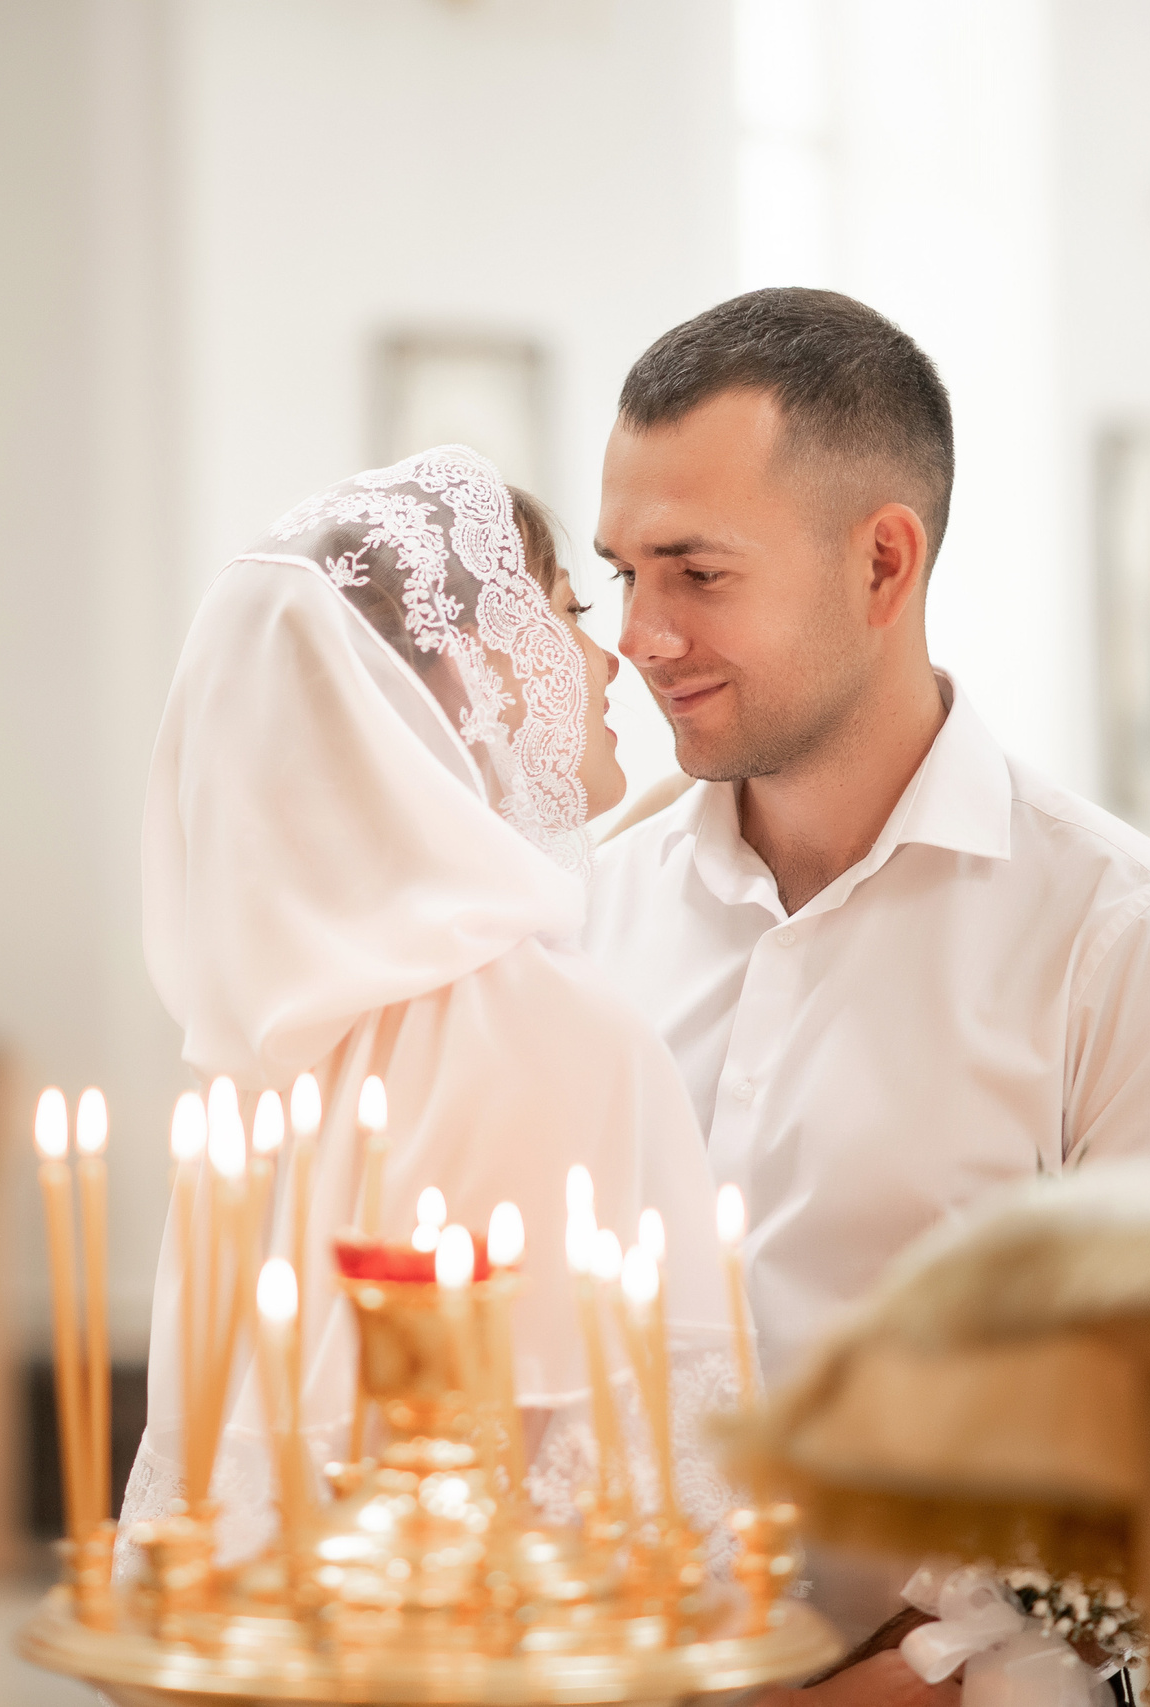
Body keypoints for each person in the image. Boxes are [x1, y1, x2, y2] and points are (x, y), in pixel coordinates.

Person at [584, 288, 1150, 1668]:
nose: (640, 635)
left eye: (697, 573)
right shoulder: (591, 914)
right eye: (624, 574)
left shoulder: (1137, 945)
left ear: (882, 562)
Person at [122, 448, 739, 1572]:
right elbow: (595, 1509)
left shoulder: (274, 1042)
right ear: (462, 672)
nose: (609, 660)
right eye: (566, 614)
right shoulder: (544, 1026)